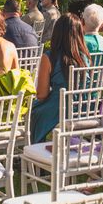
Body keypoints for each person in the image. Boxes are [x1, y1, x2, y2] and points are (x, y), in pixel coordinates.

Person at [30, 14, 90, 143]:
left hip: (57, 110)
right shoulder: (84, 58)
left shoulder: (49, 57)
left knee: (33, 112)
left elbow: (42, 94)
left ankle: (35, 151)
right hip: (81, 111)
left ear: (56, 33)